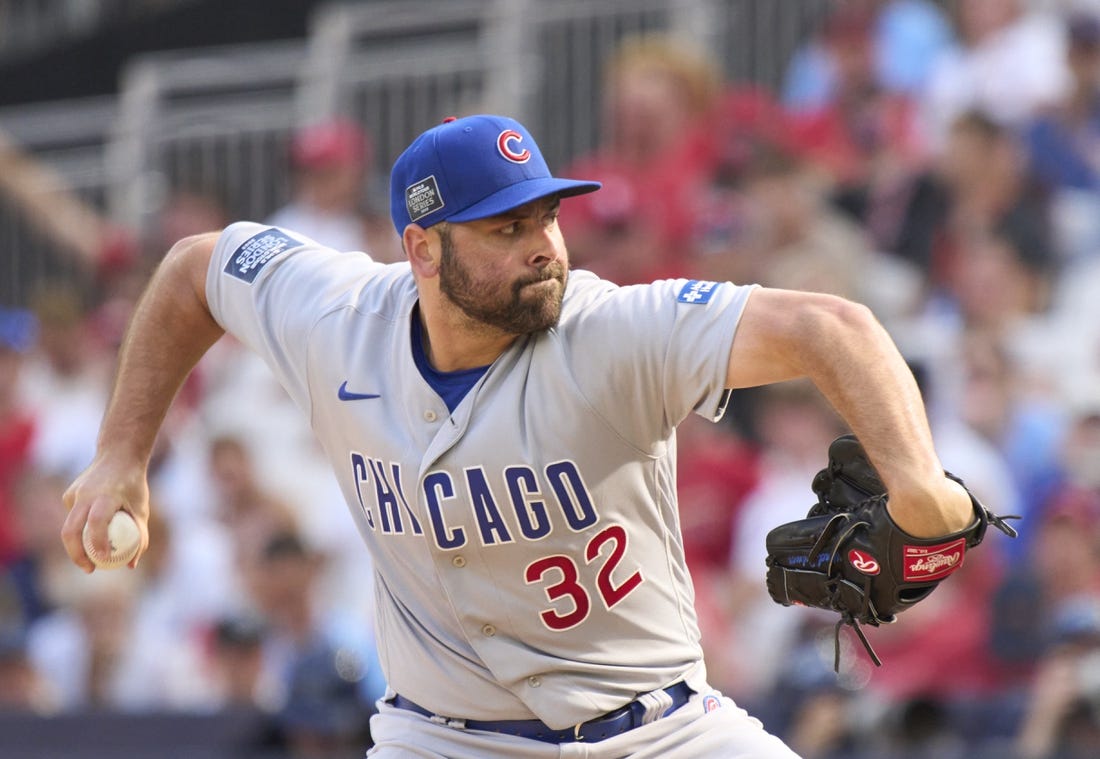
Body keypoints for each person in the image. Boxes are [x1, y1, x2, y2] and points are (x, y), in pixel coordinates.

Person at [61, 113, 979, 758]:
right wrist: (121, 451)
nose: (544, 245)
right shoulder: (334, 315)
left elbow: (834, 327)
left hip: (656, 730)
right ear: (422, 249)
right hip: (440, 738)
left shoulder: (613, 331)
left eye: (547, 216)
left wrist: (921, 487)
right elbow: (195, 269)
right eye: (507, 227)